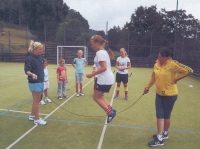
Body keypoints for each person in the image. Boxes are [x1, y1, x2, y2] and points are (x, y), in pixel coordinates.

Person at [143, 47, 193, 147]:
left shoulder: (172, 64)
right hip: (159, 94)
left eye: (161, 56)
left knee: (165, 115)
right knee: (160, 115)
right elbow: (153, 77)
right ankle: (163, 134)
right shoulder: (156, 64)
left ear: (168, 57)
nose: (159, 57)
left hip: (170, 95)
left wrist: (176, 79)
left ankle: (160, 139)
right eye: (158, 55)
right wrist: (147, 88)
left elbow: (188, 70)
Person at [86, 35, 116, 123]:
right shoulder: (103, 52)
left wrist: (92, 75)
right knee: (99, 96)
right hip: (106, 78)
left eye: (92, 44)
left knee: (96, 97)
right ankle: (111, 110)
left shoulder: (100, 53)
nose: (91, 46)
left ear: (97, 43)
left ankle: (110, 113)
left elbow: (104, 68)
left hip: (104, 79)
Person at [24, 40, 47, 126]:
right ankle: (37, 119)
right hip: (34, 82)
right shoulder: (30, 58)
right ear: (35, 49)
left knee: (36, 100)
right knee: (37, 100)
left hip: (40, 80)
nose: (41, 51)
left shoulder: (40, 57)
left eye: (42, 49)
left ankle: (32, 115)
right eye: (40, 49)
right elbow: (27, 70)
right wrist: (32, 74)